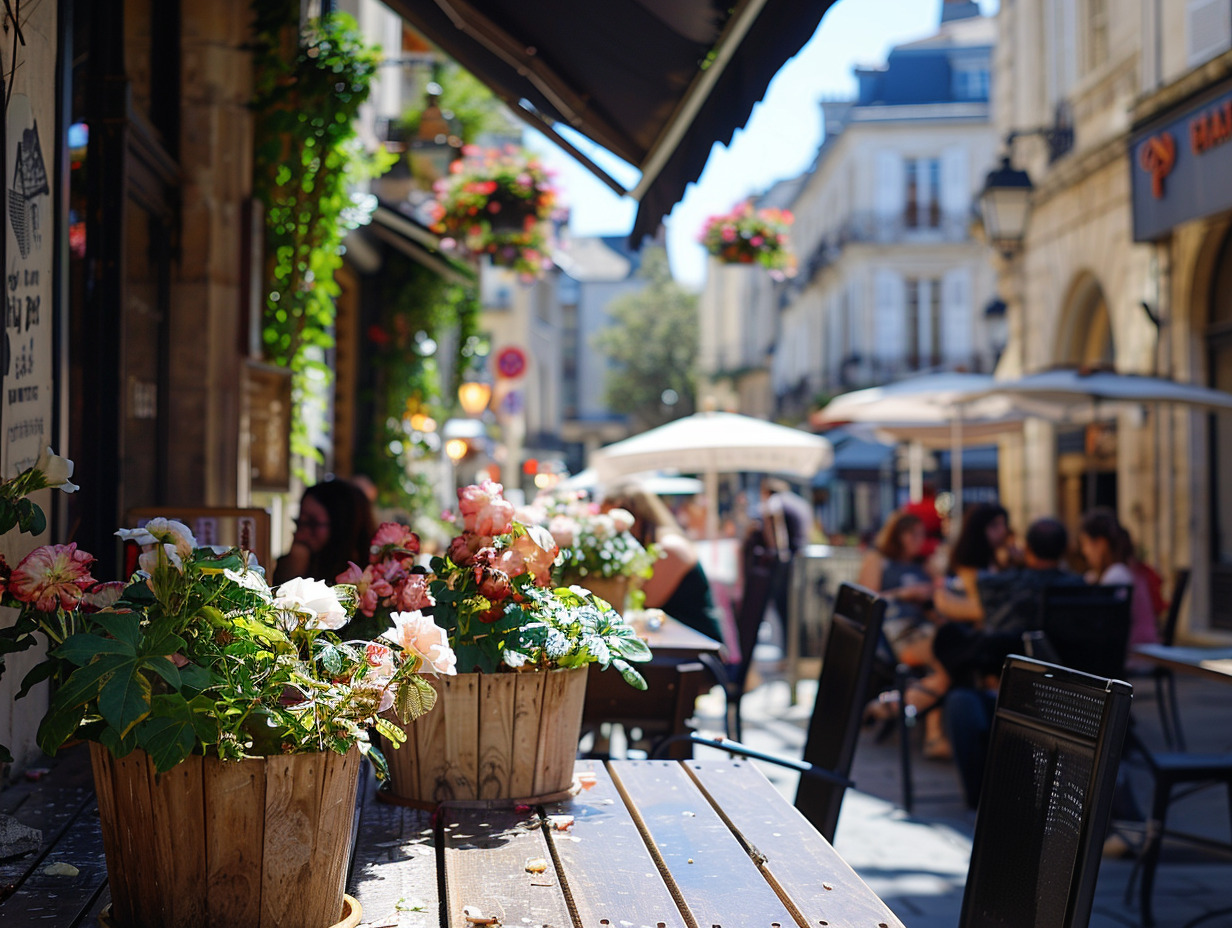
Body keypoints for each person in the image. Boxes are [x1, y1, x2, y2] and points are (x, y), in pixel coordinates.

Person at [939, 517, 1085, 808]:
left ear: (1028, 548)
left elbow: (977, 596)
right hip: (1078, 696)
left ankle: (981, 799)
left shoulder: (1008, 584)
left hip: (1023, 694)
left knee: (960, 700)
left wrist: (1010, 558)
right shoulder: (1083, 588)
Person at [858, 510, 947, 755]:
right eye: (915, 535)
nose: (920, 540)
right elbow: (866, 600)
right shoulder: (879, 559)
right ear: (900, 536)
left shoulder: (922, 565)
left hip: (926, 628)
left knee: (948, 667)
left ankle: (890, 707)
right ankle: (932, 735)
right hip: (896, 635)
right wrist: (904, 594)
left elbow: (941, 595)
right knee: (949, 658)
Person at [600, 484, 723, 641]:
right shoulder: (657, 544)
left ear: (635, 518)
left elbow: (648, 600)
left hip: (701, 648)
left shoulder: (670, 547)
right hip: (679, 641)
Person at [1078, 507, 1159, 653]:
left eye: (1085, 544)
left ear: (1101, 544)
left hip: (1135, 653)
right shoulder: (1126, 568)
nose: (1084, 551)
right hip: (1139, 649)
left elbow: (1105, 625)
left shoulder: (1117, 574)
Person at [273, 479, 378, 585]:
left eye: (312, 523)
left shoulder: (369, 580)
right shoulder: (292, 563)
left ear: (340, 528)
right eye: (299, 522)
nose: (300, 535)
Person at [932, 503, 1015, 623]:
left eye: (1003, 524)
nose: (1003, 531)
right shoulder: (967, 567)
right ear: (978, 530)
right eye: (994, 526)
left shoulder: (1001, 559)